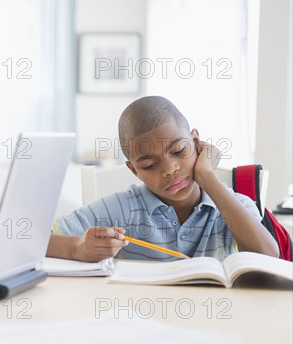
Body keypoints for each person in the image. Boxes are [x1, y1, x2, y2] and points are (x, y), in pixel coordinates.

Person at [46, 96, 279, 262]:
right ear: (134, 170)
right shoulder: (120, 209)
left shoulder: (232, 206)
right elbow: (32, 240)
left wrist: (207, 176)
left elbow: (268, 257)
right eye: (149, 165)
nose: (169, 169)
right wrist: (77, 247)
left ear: (196, 143)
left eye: (179, 151)